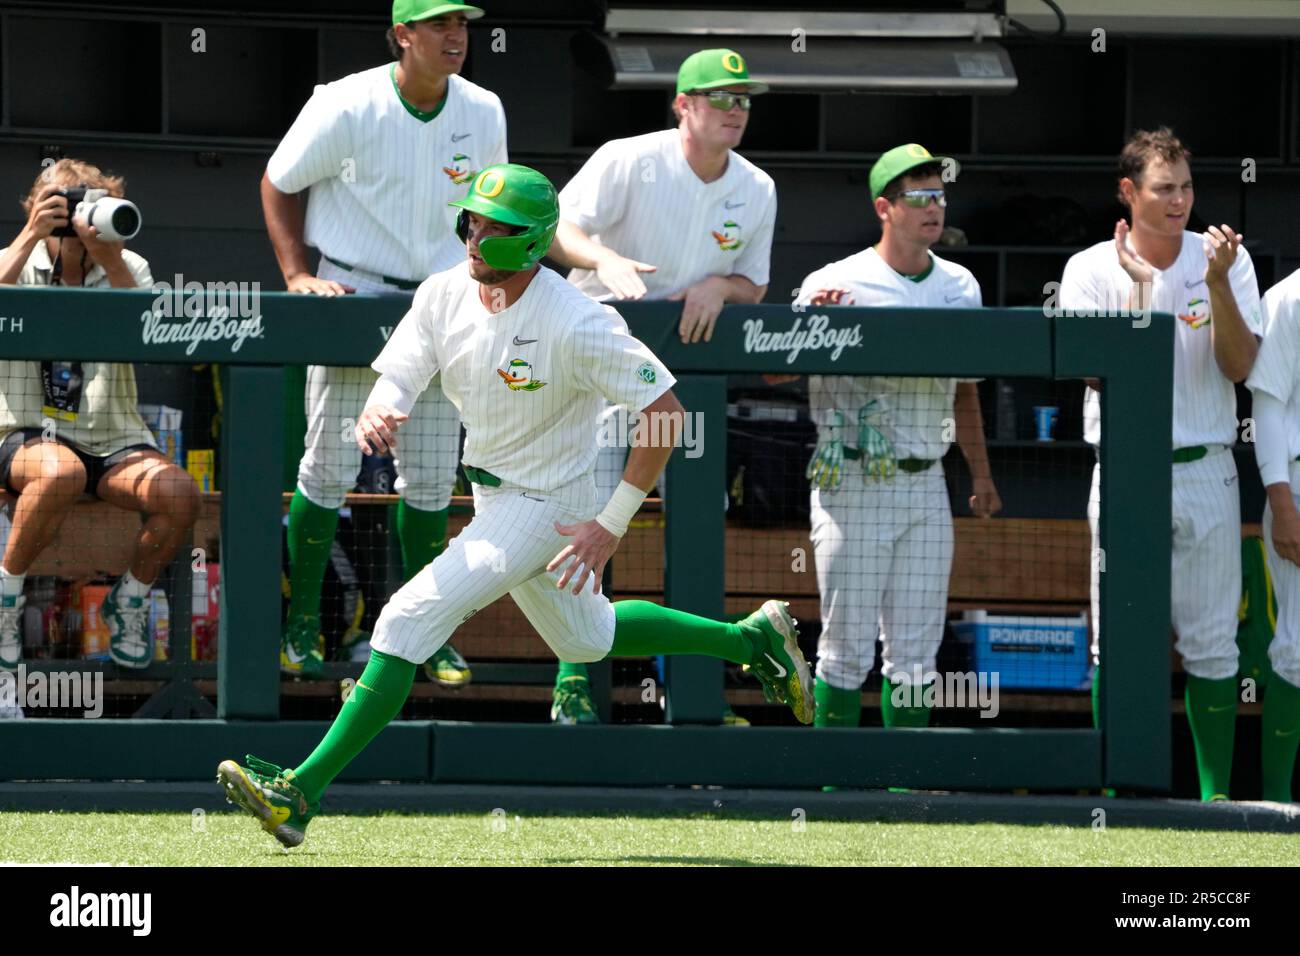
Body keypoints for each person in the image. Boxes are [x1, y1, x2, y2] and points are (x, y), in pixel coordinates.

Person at [217, 164, 812, 848]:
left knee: (406, 618)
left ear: (533, 243)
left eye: (495, 229)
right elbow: (404, 369)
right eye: (471, 220)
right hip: (494, 493)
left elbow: (667, 414)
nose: (475, 237)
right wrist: (383, 410)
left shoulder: (578, 320)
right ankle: (749, 639)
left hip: (549, 504)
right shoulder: (444, 291)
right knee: (586, 639)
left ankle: (300, 792)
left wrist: (611, 522)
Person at [263, 0, 505, 683]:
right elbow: (278, 182)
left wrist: (489, 288)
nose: (456, 37)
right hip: (351, 291)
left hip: (443, 299)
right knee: (329, 468)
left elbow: (489, 210)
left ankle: (418, 632)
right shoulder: (344, 102)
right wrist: (295, 275)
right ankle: (303, 624)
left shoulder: (484, 109)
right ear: (403, 34)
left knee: (430, 479)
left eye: (463, 25)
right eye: (439, 25)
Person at [543, 47, 776, 723]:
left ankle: (695, 691)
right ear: (683, 105)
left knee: (695, 531)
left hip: (683, 383)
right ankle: (572, 679)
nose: (736, 110)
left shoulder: (757, 187)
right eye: (721, 98)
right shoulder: (627, 156)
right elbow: (557, 228)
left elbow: (754, 281)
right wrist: (604, 258)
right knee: (586, 521)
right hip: (596, 371)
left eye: (744, 100)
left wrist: (719, 285)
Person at [1059, 127, 1261, 801]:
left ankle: (1215, 800)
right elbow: (1096, 371)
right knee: (1116, 640)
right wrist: (1143, 290)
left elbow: (1240, 366)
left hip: (1208, 465)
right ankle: (1117, 794)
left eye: (1187, 188)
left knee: (1213, 645)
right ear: (1128, 191)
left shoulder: (1226, 258)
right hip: (1124, 469)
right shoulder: (1089, 267)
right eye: (1163, 188)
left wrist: (1219, 283)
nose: (1180, 202)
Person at [786, 144, 1001, 731]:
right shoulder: (835, 280)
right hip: (851, 479)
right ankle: (834, 790)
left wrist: (980, 475)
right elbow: (773, 369)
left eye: (939, 196)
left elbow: (966, 390)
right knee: (846, 647)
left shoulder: (960, 285)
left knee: (914, 653)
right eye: (919, 197)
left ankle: (904, 790)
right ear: (885, 207)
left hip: (927, 483)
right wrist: (810, 327)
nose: (934, 209)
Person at [0, 159, 200, 670]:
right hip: (25, 432)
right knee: (60, 470)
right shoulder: (12, 259)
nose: (73, 217)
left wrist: (110, 258)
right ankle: (6, 600)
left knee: (180, 492)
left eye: (85, 205)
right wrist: (29, 236)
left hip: (112, 438)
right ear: (33, 207)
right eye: (61, 205)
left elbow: (154, 339)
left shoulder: (128, 267)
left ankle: (129, 599)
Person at [1243, 270, 1300, 802]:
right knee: (1299, 649)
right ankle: (1277, 806)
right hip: (1298, 486)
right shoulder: (1290, 295)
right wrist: (1282, 504)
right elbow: (1268, 404)